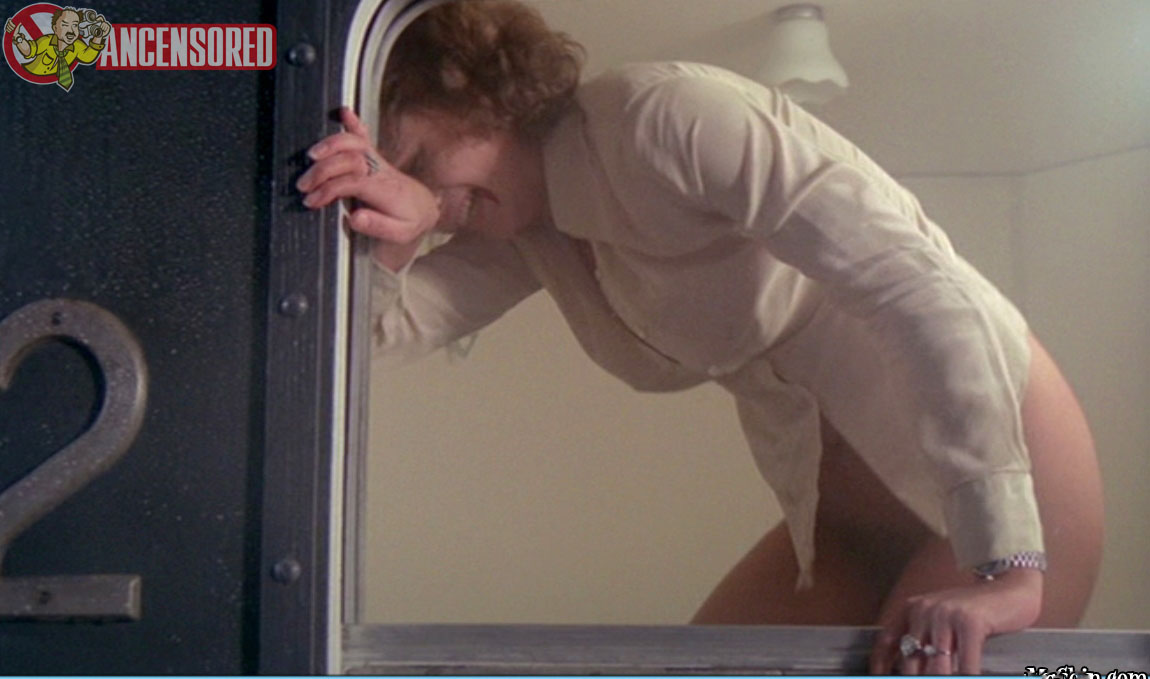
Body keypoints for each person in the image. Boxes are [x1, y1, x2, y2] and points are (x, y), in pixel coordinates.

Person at [296, 1, 1104, 673]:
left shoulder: (660, 117)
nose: (428, 197)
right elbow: (362, 345)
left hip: (1007, 485)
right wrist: (392, 240)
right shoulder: (524, 231)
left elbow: (921, 287)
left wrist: (1006, 565)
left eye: (418, 159)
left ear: (469, 89)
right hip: (839, 527)